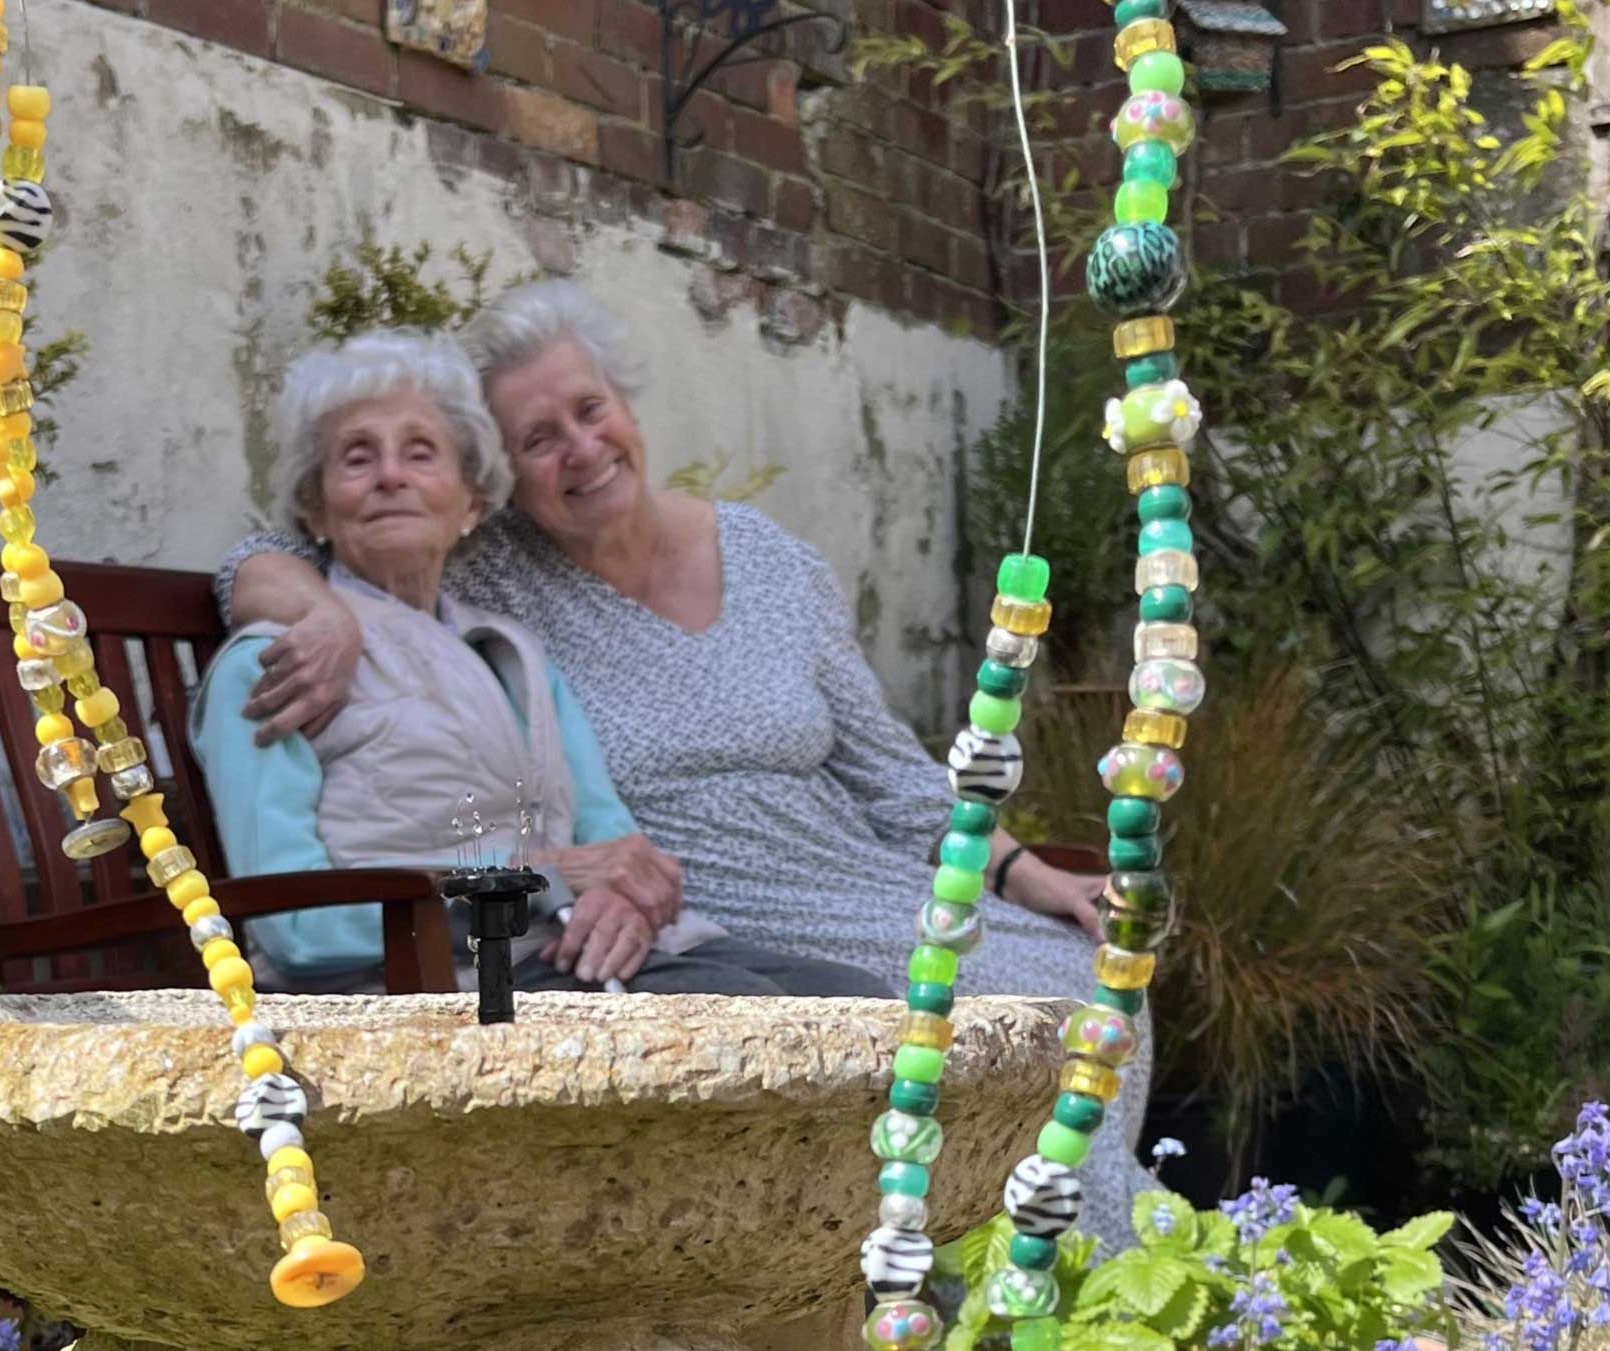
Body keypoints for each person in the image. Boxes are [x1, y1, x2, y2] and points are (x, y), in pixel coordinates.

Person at [212, 284, 1152, 1246]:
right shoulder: (486, 574)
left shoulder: (757, 559)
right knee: (942, 1028)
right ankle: (1050, 1279)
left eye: (590, 411)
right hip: (696, 908)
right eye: (539, 439)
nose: (580, 449)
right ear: (502, 484)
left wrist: (1025, 872)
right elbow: (274, 549)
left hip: (802, 888)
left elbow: (888, 772)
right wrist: (314, 610)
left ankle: (1081, 1273)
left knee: (1074, 969)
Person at [191, 327, 889, 1000]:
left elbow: (611, 837)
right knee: (755, 1027)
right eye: (356, 457)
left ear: (469, 502)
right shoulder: (276, 662)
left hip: (575, 955)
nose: (391, 476)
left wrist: (624, 898)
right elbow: (294, 928)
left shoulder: (513, 653)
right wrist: (544, 882)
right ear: (314, 508)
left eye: (421, 452)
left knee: (860, 1001)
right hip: (440, 980)